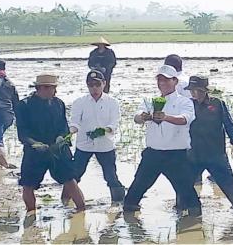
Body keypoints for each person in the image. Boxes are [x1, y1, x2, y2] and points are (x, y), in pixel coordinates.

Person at [123, 65, 201, 216]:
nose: (162, 83)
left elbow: (185, 119)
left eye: (166, 80)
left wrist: (166, 117)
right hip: (153, 154)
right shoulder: (149, 101)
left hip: (176, 155)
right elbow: (137, 117)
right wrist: (143, 116)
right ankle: (130, 215)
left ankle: (194, 223)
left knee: (187, 191)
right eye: (159, 80)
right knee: (136, 188)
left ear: (175, 81)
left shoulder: (184, 102)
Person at [15, 74, 85, 217]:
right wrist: (35, 144)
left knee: (70, 180)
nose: (51, 91)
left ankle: (81, 212)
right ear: (39, 88)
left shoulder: (59, 103)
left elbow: (64, 127)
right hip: (34, 152)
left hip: (58, 150)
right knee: (28, 185)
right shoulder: (25, 105)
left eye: (53, 88)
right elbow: (22, 132)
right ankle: (31, 214)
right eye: (47, 88)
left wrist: (61, 138)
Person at [177, 75, 233, 216]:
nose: (195, 94)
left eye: (198, 90)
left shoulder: (217, 104)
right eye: (192, 90)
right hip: (193, 156)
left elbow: (229, 126)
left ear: (205, 91)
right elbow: (177, 128)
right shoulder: (187, 105)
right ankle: (184, 215)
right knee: (183, 189)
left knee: (230, 187)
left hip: (216, 155)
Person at [68, 70, 124, 203]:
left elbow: (114, 123)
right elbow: (74, 121)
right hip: (84, 145)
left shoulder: (112, 102)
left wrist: (105, 129)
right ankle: (67, 199)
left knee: (110, 175)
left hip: (105, 145)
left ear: (104, 84)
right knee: (75, 175)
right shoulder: (79, 102)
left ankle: (119, 202)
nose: (94, 88)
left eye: (97, 84)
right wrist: (70, 131)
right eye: (91, 85)